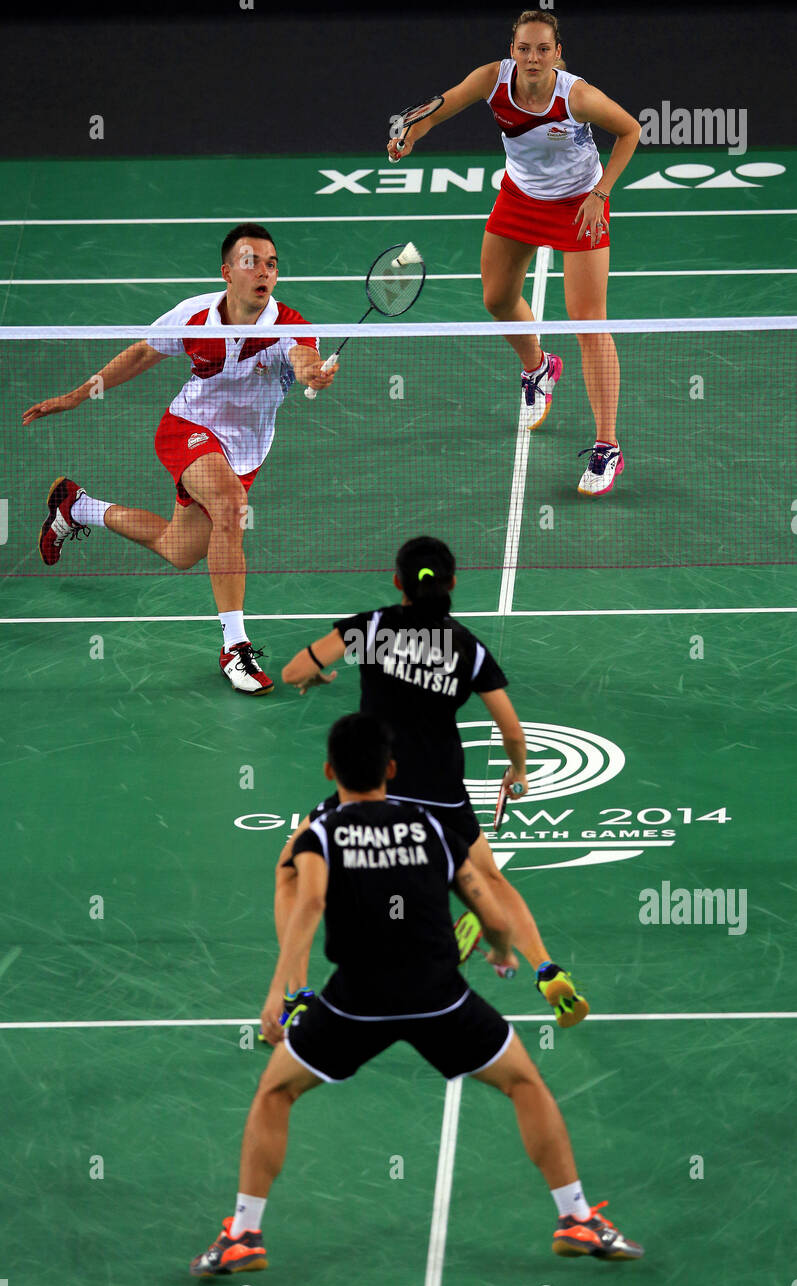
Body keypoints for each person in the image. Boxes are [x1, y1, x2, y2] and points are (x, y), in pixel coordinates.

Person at [189, 713, 643, 1277]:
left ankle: (244, 1235)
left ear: (330, 770)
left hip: (353, 1002)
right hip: (440, 999)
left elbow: (306, 905)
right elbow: (491, 908)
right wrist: (503, 950)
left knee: (275, 1093)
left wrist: (282, 992)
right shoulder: (431, 826)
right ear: (393, 770)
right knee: (525, 1083)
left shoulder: (319, 834)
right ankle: (575, 1218)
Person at [278, 535, 588, 1030]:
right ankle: (547, 970)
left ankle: (296, 995)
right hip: (442, 790)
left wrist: (313, 678)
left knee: (293, 870)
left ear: (398, 582)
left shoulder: (372, 627)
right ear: (452, 584)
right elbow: (510, 728)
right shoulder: (468, 647)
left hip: (373, 787)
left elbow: (295, 668)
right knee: (487, 877)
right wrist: (519, 768)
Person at [26, 223, 337, 693]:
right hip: (186, 431)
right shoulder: (194, 316)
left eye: (272, 264)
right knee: (231, 507)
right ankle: (235, 648)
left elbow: (303, 358)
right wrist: (75, 396)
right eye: (252, 261)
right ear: (228, 271)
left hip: (244, 453)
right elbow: (138, 356)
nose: (264, 272)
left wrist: (313, 374)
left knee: (180, 551)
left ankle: (77, 506)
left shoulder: (288, 326)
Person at [386, 9, 641, 498]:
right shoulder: (493, 80)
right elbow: (440, 106)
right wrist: (411, 135)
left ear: (557, 53)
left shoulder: (577, 96)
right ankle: (539, 366)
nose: (532, 57)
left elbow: (629, 130)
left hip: (578, 204)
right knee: (497, 300)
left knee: (588, 321)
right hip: (520, 198)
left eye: (543, 49)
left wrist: (601, 193)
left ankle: (608, 445)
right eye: (524, 48)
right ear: (513, 51)